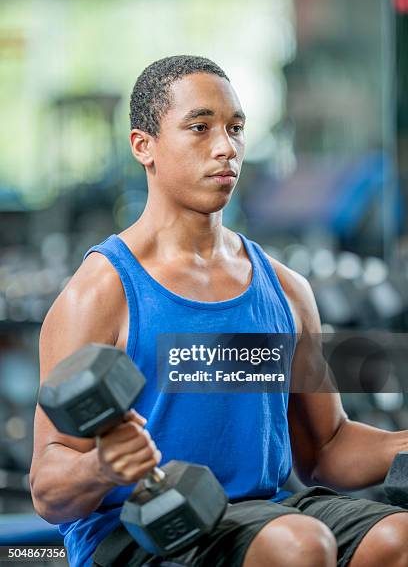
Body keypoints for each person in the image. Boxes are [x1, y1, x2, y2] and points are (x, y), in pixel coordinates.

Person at [30, 55, 408, 567]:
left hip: (268, 513)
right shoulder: (100, 293)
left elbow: (328, 448)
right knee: (298, 544)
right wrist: (101, 465)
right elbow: (49, 491)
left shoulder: (284, 290)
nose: (225, 148)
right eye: (200, 128)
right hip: (145, 529)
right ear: (145, 146)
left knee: (397, 537)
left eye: (235, 129)